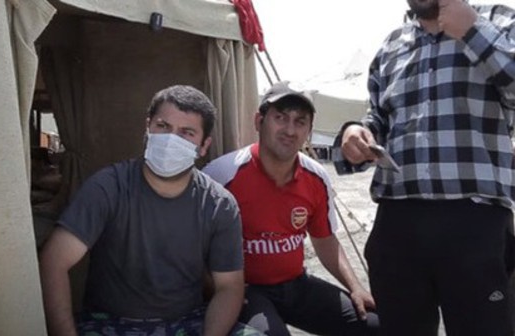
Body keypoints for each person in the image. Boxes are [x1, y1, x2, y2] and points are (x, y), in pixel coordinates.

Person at [335, 0, 515, 334]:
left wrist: (472, 30)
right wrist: (356, 134)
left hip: (474, 220)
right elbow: (379, 117)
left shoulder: (499, 21)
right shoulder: (391, 45)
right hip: (398, 222)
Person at [39, 85, 261, 336]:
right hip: (109, 323)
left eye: (186, 132)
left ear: (203, 145)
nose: (170, 140)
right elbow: (54, 262)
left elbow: (229, 287)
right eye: (163, 126)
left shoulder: (219, 204)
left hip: (187, 321)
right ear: (148, 128)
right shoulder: (108, 187)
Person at [203, 81, 379, 335]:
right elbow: (191, 243)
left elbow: (326, 241)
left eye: (300, 122)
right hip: (245, 289)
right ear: (258, 121)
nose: (289, 129)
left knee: (376, 325)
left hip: (296, 285)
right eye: (280, 118)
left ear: (309, 131)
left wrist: (356, 287)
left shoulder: (315, 177)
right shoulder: (222, 175)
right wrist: (215, 290)